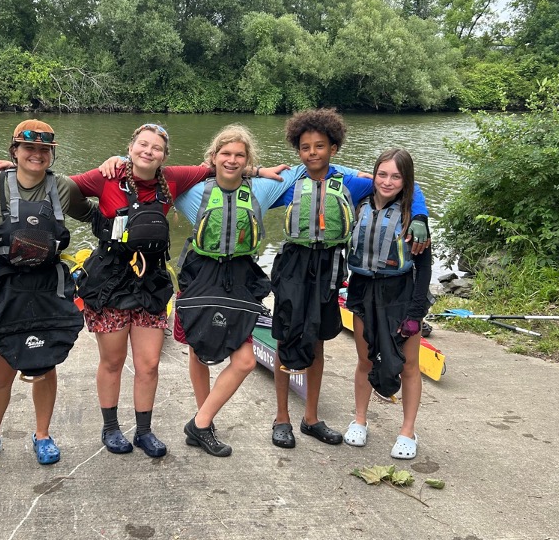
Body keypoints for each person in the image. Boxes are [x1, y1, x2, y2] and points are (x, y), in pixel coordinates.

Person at [267, 109, 430, 450]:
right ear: (298, 150)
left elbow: (402, 187)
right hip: (293, 267)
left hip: (329, 267)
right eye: (306, 147)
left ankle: (310, 418)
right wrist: (257, 170)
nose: (313, 153)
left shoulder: (351, 183)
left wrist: (420, 216)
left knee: (317, 340)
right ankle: (281, 418)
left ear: (334, 148)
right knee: (286, 338)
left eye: (320, 146)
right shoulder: (287, 183)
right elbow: (233, 178)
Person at [70, 123, 214, 458]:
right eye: (142, 145)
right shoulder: (107, 175)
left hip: (150, 280)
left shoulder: (174, 179)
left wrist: (262, 169)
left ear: (164, 155)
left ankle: (144, 431)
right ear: (131, 146)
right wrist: (11, 169)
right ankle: (110, 427)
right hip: (110, 278)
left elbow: (219, 166)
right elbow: (60, 186)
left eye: (156, 148)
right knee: (113, 360)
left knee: (149, 364)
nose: (148, 151)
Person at [0, 120, 96, 470]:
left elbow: (96, 216)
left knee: (45, 364)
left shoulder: (64, 188)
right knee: (1, 370)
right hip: (4, 284)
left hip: (48, 284)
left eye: (44, 150)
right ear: (14, 152)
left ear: (52, 154)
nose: (36, 155)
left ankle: (42, 435)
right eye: (29, 149)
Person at [174, 125, 271, 457]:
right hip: (200, 273)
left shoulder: (261, 191)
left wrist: (415, 205)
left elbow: (310, 171)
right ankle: (206, 423)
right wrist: (116, 160)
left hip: (239, 278)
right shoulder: (192, 192)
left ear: (248, 160)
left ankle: (199, 423)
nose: (232, 160)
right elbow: (150, 172)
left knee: (244, 361)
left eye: (239, 155)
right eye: (225, 154)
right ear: (213, 157)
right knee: (197, 350)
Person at [343, 147, 433, 460]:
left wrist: (416, 312)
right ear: (374, 175)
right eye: (382, 174)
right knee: (365, 360)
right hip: (363, 291)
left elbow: (424, 269)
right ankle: (359, 420)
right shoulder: (359, 204)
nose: (387, 181)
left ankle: (408, 431)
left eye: (396, 176)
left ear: (406, 180)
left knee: (409, 366)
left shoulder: (413, 216)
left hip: (401, 294)